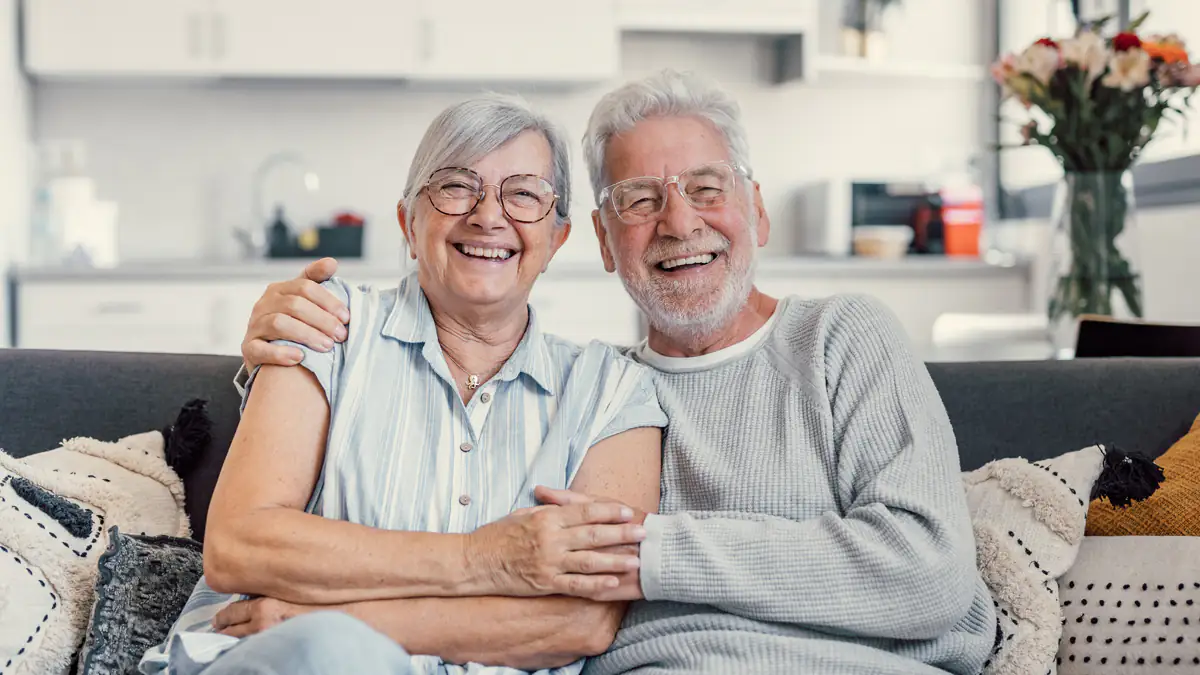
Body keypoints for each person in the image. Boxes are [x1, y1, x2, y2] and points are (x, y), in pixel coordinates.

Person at [238, 70, 999, 674]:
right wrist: (271, 364)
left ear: (756, 212)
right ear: (602, 242)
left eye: (706, 188)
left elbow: (928, 574)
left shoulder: (841, 338)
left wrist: (648, 551)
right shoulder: (604, 393)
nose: (679, 222)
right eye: (639, 200)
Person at [141, 95, 669, 675]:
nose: (489, 216)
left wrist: (341, 619)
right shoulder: (327, 326)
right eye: (455, 186)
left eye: (523, 193)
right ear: (408, 223)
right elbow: (240, 545)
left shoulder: (613, 390)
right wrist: (486, 559)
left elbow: (580, 621)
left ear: (558, 237)